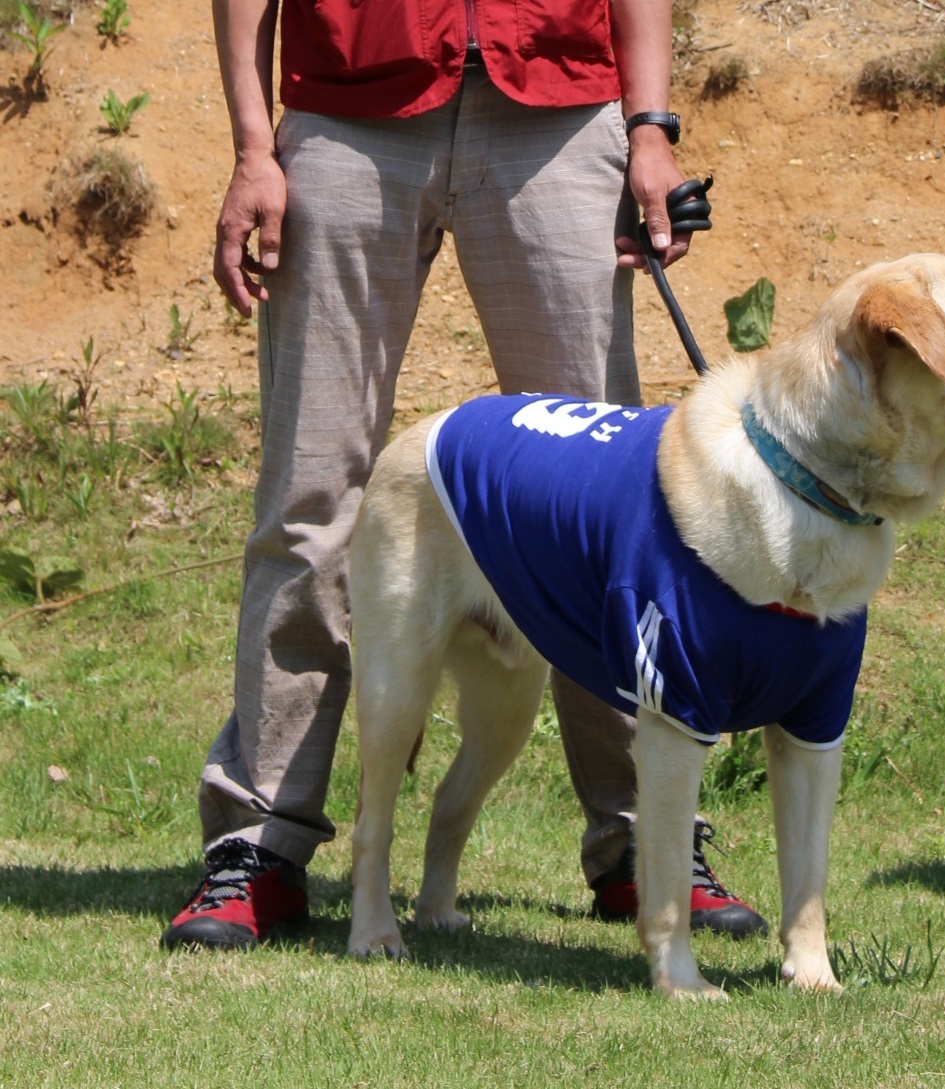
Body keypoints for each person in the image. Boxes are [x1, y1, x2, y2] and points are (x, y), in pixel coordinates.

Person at [162, 0, 767, 950]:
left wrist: (649, 128)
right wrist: (251, 147)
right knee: (309, 498)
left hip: (559, 115)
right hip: (348, 113)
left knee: (606, 504)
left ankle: (642, 843)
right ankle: (259, 845)